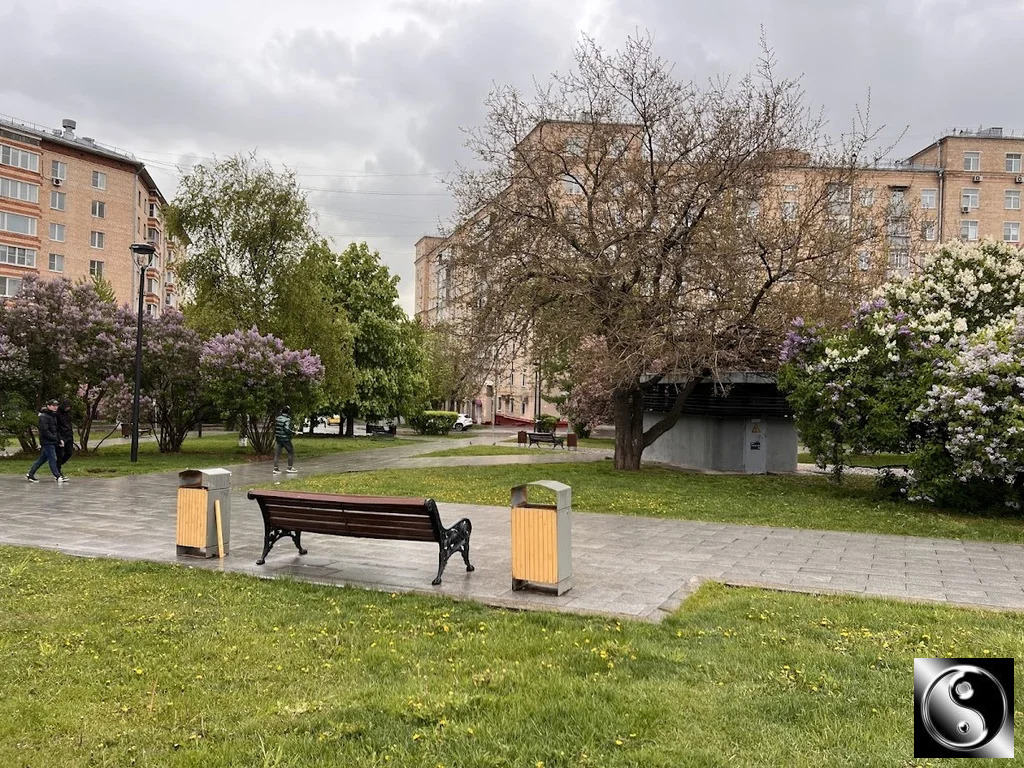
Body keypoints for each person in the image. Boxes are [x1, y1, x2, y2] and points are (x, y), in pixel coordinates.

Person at [26, 399, 66, 483]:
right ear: (48, 406)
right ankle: (57, 475)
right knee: (52, 458)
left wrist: (60, 439)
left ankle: (30, 474)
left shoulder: (53, 415)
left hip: (52, 440)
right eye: (53, 405)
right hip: (47, 441)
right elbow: (44, 431)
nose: (55, 407)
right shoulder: (44, 416)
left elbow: (56, 429)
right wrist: (55, 438)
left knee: (43, 458)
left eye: (56, 405)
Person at [273, 405, 297, 474]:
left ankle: (275, 468)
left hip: (279, 438)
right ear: (288, 412)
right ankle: (290, 467)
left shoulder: (277, 418)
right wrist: (293, 432)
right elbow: (286, 429)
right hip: (286, 439)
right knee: (291, 452)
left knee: (277, 454)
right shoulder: (287, 419)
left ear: (281, 411)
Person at [56, 398, 74, 474]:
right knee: (60, 454)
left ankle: (58, 464)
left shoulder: (68, 414)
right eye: (66, 406)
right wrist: (60, 437)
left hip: (69, 434)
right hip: (62, 435)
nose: (68, 408)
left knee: (69, 452)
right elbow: (56, 426)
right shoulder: (57, 414)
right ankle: (57, 470)